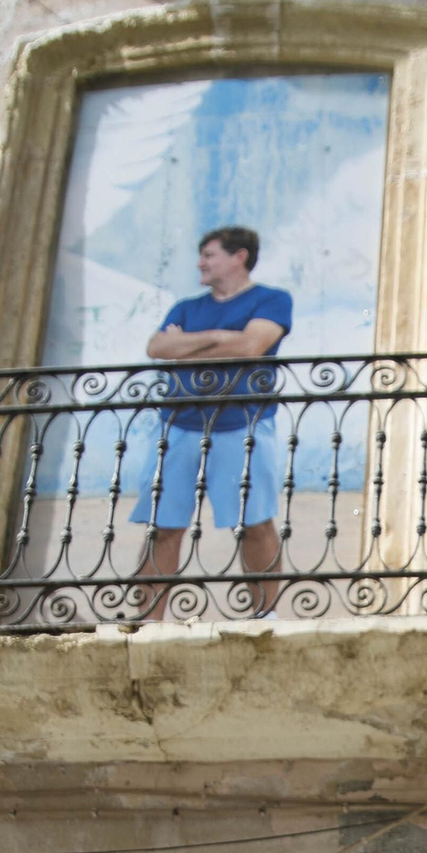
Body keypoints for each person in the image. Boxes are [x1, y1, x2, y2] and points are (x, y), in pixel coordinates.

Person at [132, 227, 292, 603]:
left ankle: (264, 618)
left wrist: (186, 345)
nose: (200, 263)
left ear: (239, 257)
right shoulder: (187, 306)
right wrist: (222, 337)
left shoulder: (272, 299)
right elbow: (157, 347)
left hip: (242, 423)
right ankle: (147, 624)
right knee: (163, 526)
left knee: (255, 523)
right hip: (178, 424)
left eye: (209, 254)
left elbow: (253, 345)